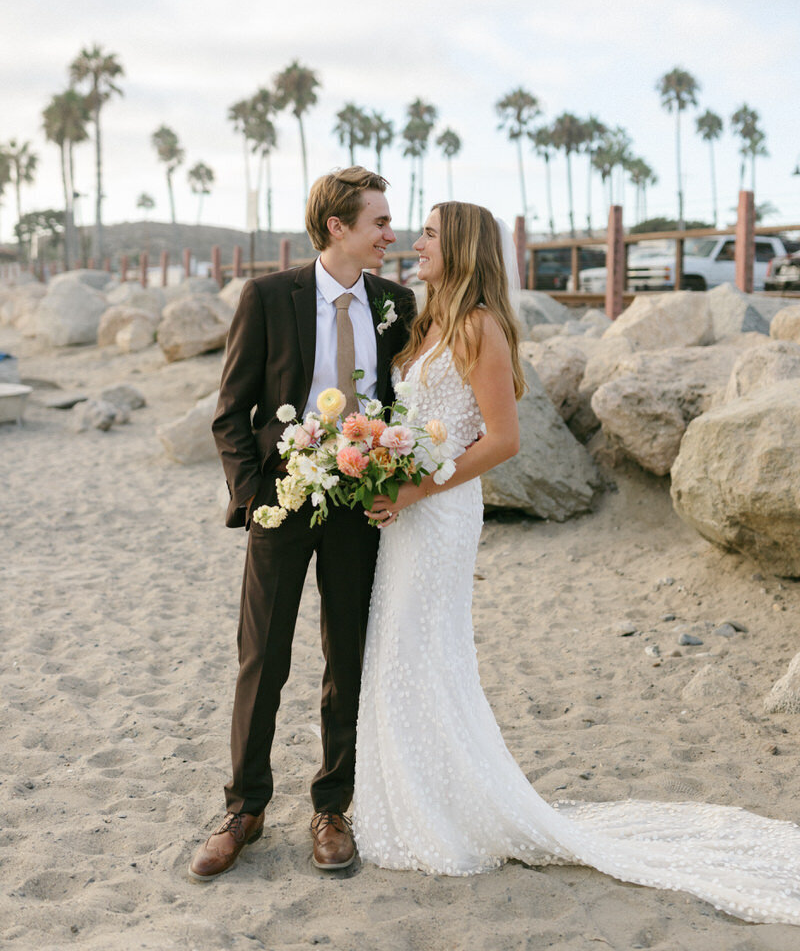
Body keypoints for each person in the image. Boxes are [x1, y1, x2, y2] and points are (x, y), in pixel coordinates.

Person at [352, 200, 800, 926]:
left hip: (440, 512)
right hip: (409, 511)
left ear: (461, 245)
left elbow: (502, 441)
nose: (415, 243)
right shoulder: (427, 322)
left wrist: (412, 486)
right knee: (398, 647)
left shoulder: (480, 326)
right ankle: (412, 799)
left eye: (430, 233)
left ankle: (443, 809)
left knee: (421, 647)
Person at [189, 166, 416, 882]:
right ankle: (244, 808)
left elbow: (403, 404)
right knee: (263, 658)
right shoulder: (266, 297)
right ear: (337, 228)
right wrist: (255, 495)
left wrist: (396, 480)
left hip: (360, 506)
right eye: (379, 222)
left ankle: (332, 806)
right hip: (282, 502)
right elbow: (231, 409)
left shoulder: (396, 304)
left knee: (347, 655)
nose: (391, 234)